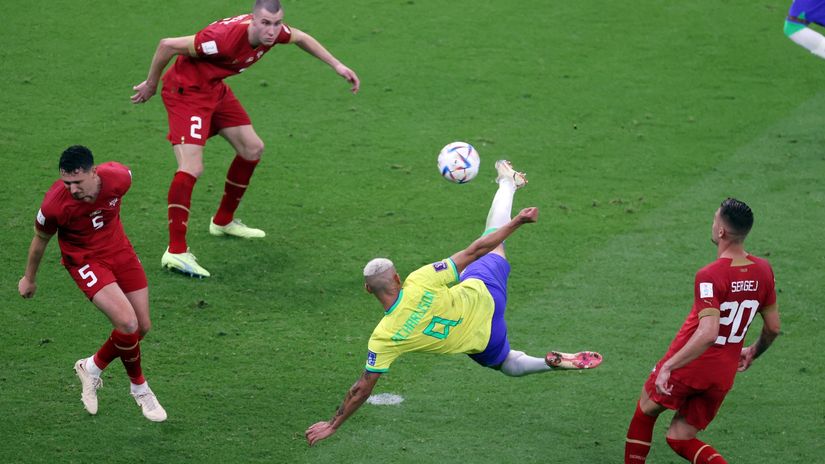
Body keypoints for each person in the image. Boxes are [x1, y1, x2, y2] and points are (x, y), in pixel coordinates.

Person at [305, 160, 603, 446]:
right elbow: (476, 250)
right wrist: (518, 222)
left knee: (509, 364)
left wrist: (333, 425)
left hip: (481, 337)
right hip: (486, 293)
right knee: (491, 239)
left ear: (367, 290)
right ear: (397, 277)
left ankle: (545, 364)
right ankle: (508, 184)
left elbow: (361, 389)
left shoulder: (384, 338)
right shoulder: (419, 279)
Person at [131, 0, 360, 278]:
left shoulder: (273, 34)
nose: (272, 31)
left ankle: (223, 221)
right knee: (191, 167)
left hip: (214, 90)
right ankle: (176, 252)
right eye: (265, 23)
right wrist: (151, 84)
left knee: (252, 148)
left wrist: (337, 65)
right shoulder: (221, 40)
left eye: (276, 24)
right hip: (187, 92)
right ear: (252, 20)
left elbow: (300, 36)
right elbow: (167, 44)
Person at [624, 198, 781, 463]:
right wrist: (752, 351)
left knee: (646, 411)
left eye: (714, 219)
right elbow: (774, 328)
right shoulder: (764, 270)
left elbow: (708, 332)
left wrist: (669, 366)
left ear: (721, 231)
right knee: (680, 436)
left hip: (692, 365)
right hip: (723, 373)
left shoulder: (710, 274)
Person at [18, 145, 167, 422]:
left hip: (120, 251)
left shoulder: (119, 178)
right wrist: (29, 278)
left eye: (77, 182)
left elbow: (123, 184)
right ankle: (140, 389)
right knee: (128, 324)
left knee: (141, 327)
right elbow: (40, 240)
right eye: (67, 183)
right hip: (85, 260)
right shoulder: (54, 204)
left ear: (93, 173)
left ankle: (91, 367)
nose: (72, 189)